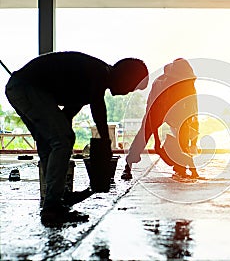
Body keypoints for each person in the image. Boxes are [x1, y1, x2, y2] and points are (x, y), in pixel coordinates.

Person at [5, 51, 149, 225]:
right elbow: (98, 107)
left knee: (51, 142)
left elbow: (67, 115)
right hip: (26, 87)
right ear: (125, 77)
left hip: (19, 87)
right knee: (62, 139)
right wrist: (105, 143)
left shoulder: (89, 80)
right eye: (131, 87)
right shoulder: (99, 72)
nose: (127, 93)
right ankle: (53, 206)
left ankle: (55, 197)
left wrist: (101, 144)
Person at [122, 58, 200, 180]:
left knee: (183, 133)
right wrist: (157, 143)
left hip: (176, 112)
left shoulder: (189, 87)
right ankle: (128, 165)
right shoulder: (160, 85)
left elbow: (193, 115)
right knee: (144, 132)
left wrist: (192, 143)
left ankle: (180, 167)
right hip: (159, 109)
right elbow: (152, 116)